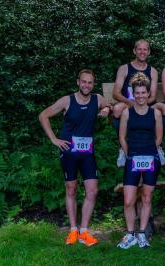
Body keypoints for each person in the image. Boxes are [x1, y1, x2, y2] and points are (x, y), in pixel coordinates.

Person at [39, 69, 111, 246]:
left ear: (93, 84)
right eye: (84, 82)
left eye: (90, 82)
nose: (87, 85)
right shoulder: (67, 100)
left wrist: (107, 109)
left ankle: (84, 231)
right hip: (69, 151)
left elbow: (108, 105)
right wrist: (54, 139)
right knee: (71, 189)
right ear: (78, 82)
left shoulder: (97, 99)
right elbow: (43, 115)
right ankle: (73, 230)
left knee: (92, 190)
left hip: (87, 152)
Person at [117, 72, 163, 249]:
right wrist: (131, 154)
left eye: (144, 92)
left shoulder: (156, 113)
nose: (141, 96)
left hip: (150, 158)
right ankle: (130, 234)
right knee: (128, 200)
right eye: (138, 93)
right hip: (132, 157)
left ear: (148, 93)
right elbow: (122, 137)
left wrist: (149, 152)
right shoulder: (127, 113)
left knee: (146, 197)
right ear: (133, 94)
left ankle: (142, 233)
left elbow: (159, 137)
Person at [112, 39, 165, 167]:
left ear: (148, 52)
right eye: (139, 49)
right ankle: (123, 144)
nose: (142, 52)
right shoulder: (124, 68)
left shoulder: (152, 71)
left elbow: (153, 95)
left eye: (145, 49)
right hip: (129, 103)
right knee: (117, 110)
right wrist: (133, 104)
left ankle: (157, 144)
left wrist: (143, 104)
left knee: (164, 109)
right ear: (134, 51)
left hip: (146, 102)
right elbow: (116, 93)